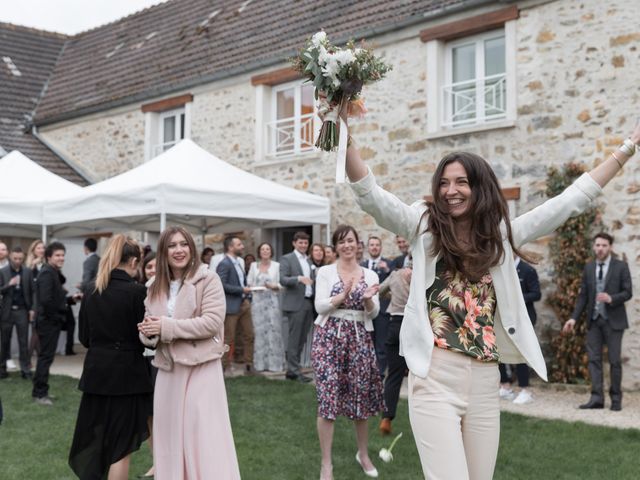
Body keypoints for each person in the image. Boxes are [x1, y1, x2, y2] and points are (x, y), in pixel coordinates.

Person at [337, 99, 639, 479]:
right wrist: (342, 129)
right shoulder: (422, 226)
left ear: (478, 186)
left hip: (484, 379)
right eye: (444, 183)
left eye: (461, 182)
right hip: (435, 377)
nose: (451, 191)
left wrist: (628, 148)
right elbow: (369, 194)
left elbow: (570, 202)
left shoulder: (499, 234)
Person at [139, 226, 240, 480]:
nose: (179, 250)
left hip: (201, 368)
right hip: (168, 371)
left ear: (191, 248)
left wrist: (166, 327)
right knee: (170, 440)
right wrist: (148, 333)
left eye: (183, 244)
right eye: (172, 245)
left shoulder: (209, 279)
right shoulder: (153, 286)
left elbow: (211, 323)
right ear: (164, 251)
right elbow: (148, 328)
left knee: (204, 438)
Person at [68, 235, 152, 480]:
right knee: (120, 447)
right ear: (135, 260)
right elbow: (143, 337)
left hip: (97, 373)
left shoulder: (92, 290)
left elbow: (84, 337)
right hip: (126, 377)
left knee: (102, 439)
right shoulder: (137, 292)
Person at [312, 224, 382, 480]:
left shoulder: (371, 275)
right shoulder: (326, 271)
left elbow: (374, 313)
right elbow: (319, 306)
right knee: (327, 400)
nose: (347, 245)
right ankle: (326, 464)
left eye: (351, 240)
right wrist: (339, 297)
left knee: (359, 401)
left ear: (358, 244)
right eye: (341, 242)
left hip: (359, 340)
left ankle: (363, 454)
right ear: (335, 246)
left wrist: (367, 299)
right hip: (328, 339)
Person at [563, 233, 632, 411]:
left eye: (604, 245)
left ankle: (616, 399)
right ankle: (596, 398)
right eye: (598, 245)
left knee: (615, 361)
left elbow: (628, 292)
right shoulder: (589, 267)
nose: (600, 248)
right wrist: (573, 318)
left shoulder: (621, 267)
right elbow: (583, 296)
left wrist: (611, 298)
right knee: (593, 360)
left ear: (610, 247)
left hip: (614, 322)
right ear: (594, 247)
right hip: (593, 321)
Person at [32, 241, 79, 405]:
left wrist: (71, 300)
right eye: (58, 255)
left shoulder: (52, 272)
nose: (62, 258)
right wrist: (64, 307)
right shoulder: (47, 273)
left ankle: (40, 391)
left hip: (51, 321)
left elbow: (55, 299)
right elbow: (46, 301)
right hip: (47, 323)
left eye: (63, 255)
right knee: (45, 358)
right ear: (49, 257)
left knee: (46, 358)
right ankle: (39, 394)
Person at [499, 256, 541, 405]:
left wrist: (518, 297)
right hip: (504, 317)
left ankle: (525, 390)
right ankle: (505, 386)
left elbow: (537, 294)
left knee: (521, 352)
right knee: (499, 349)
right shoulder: (500, 269)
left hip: (524, 319)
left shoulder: (528, 270)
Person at [378, 259, 412, 436]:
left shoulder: (394, 275)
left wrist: (392, 296)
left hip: (395, 324)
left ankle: (387, 417)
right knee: (420, 373)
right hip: (414, 326)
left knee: (394, 374)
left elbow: (380, 291)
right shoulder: (420, 275)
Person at [280, 231, 315, 382]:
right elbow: (282, 279)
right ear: (294, 243)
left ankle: (293, 369)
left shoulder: (308, 261)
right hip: (295, 304)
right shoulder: (287, 258)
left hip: (308, 302)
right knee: (294, 339)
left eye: (306, 243)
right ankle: (294, 370)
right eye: (300, 242)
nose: (303, 245)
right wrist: (298, 279)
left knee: (302, 339)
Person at [217, 235, 254, 374]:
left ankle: (249, 366)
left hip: (244, 303)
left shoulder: (238, 262)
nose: (242, 246)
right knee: (227, 338)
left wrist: (247, 296)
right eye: (239, 244)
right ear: (230, 247)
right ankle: (221, 368)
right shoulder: (224, 263)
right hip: (231, 306)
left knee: (249, 335)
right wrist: (241, 290)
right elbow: (221, 284)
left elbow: (240, 282)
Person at [246, 242, 285, 372]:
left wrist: (275, 286)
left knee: (273, 331)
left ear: (271, 251)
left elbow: (281, 284)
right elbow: (249, 282)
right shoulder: (253, 265)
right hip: (257, 302)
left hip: (272, 302)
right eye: (262, 249)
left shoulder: (277, 266)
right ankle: (260, 364)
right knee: (259, 332)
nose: (265, 251)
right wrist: (254, 287)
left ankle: (275, 365)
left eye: (267, 249)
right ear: (259, 252)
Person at [0, 247, 35, 379]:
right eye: (15, 258)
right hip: (6, 311)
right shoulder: (2, 272)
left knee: (23, 342)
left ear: (23, 258)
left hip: (22, 311)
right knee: (4, 342)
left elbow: (33, 291)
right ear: (10, 256)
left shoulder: (27, 272)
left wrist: (32, 308)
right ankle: (2, 370)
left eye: (20, 258)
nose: (18, 261)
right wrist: (9, 284)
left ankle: (25, 371)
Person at [360, 236, 393, 376]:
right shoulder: (362, 265)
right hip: (365, 309)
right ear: (368, 248)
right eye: (371, 245)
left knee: (381, 343)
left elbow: (394, 285)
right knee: (367, 341)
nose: (374, 247)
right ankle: (367, 370)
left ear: (380, 247)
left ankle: (379, 373)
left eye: (377, 245)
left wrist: (387, 271)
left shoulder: (389, 264)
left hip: (383, 311)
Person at [140, 251, 157, 479]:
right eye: (148, 267)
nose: (152, 270)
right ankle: (156, 460)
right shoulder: (139, 291)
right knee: (149, 415)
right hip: (142, 358)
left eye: (155, 266)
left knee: (161, 413)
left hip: (160, 359)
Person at [26, 239, 45, 364]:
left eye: (43, 248)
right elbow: (29, 285)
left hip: (44, 301)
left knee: (38, 330)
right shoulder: (29, 266)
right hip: (34, 302)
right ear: (33, 250)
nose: (42, 250)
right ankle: (28, 359)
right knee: (35, 330)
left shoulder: (46, 264)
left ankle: (39, 358)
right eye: (39, 248)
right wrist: (33, 265)